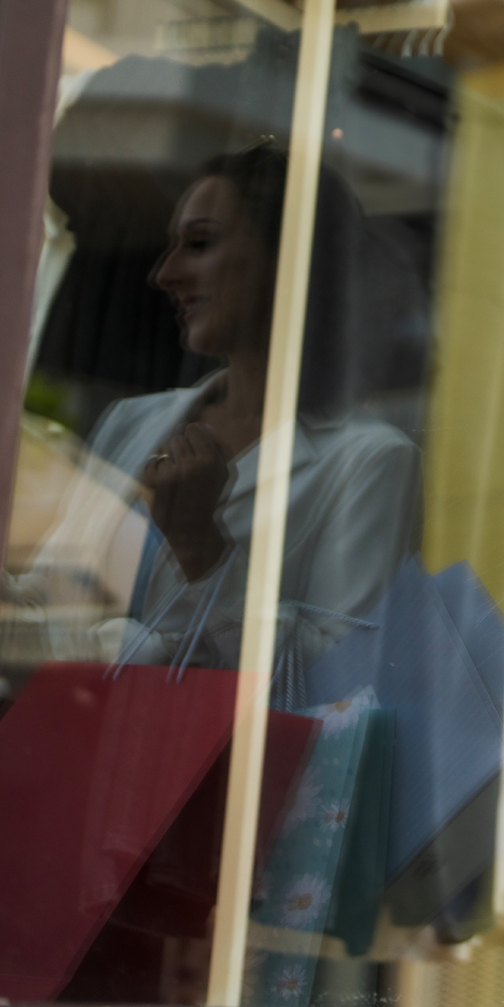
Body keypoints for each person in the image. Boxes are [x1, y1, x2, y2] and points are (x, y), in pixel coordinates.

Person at [85, 144, 421, 685]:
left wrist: (205, 550)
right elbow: (50, 597)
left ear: (290, 258)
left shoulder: (370, 461)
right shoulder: (131, 422)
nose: (164, 274)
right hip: (69, 743)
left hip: (212, 766)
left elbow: (339, 679)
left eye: (200, 243)